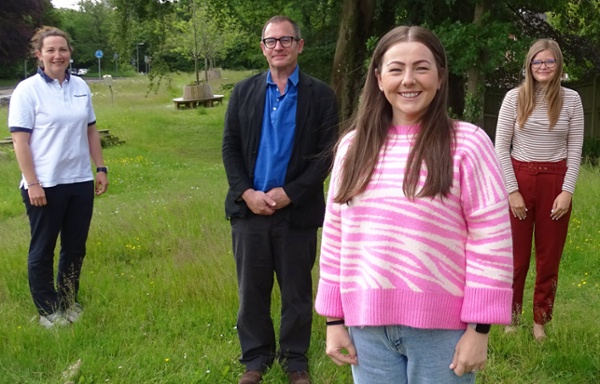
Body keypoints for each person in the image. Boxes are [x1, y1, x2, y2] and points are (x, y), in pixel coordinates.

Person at [314, 25, 514, 383]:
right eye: (396, 69)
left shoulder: (467, 144)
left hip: (443, 334)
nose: (409, 80)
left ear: (440, 76)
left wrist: (480, 329)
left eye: (421, 67)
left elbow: (491, 239)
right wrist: (334, 320)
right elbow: (336, 236)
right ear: (378, 78)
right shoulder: (353, 148)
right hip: (367, 331)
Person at [222, 15, 339, 384]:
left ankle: (295, 360)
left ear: (299, 45)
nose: (278, 47)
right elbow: (229, 148)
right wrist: (246, 192)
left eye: (286, 40)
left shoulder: (321, 95)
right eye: (271, 41)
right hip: (250, 211)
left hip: (296, 213)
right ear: (262, 48)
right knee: (251, 291)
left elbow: (327, 154)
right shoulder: (243, 92)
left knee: (296, 292)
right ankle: (255, 360)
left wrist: (291, 193)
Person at [8, 26, 108, 329]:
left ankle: (68, 300)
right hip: (45, 185)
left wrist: (100, 168)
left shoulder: (80, 86)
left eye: (62, 49)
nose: (57, 55)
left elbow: (90, 130)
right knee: (43, 248)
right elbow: (20, 141)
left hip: (78, 181)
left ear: (69, 53)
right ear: (39, 54)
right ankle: (48, 310)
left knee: (75, 247)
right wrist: (33, 182)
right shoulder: (27, 90)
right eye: (50, 50)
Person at [495, 39, 584, 341]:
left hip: (555, 182)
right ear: (528, 65)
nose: (542, 67)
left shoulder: (572, 100)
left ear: (558, 65)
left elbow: (575, 150)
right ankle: (510, 317)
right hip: (519, 178)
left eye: (549, 62)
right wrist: (511, 190)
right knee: (516, 258)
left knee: (549, 258)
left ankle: (539, 322)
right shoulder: (513, 98)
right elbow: (500, 148)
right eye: (537, 62)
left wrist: (567, 191)